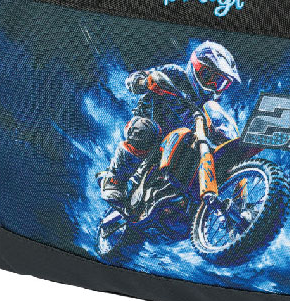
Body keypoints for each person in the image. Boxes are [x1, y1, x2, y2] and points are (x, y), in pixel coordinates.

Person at [97, 41, 241, 203]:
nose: (212, 85)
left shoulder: (209, 106)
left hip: (182, 147)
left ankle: (233, 207)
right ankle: (114, 179)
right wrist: (145, 81)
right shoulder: (174, 74)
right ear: (195, 67)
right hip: (152, 136)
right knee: (146, 129)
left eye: (220, 82)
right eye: (208, 77)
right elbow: (132, 80)